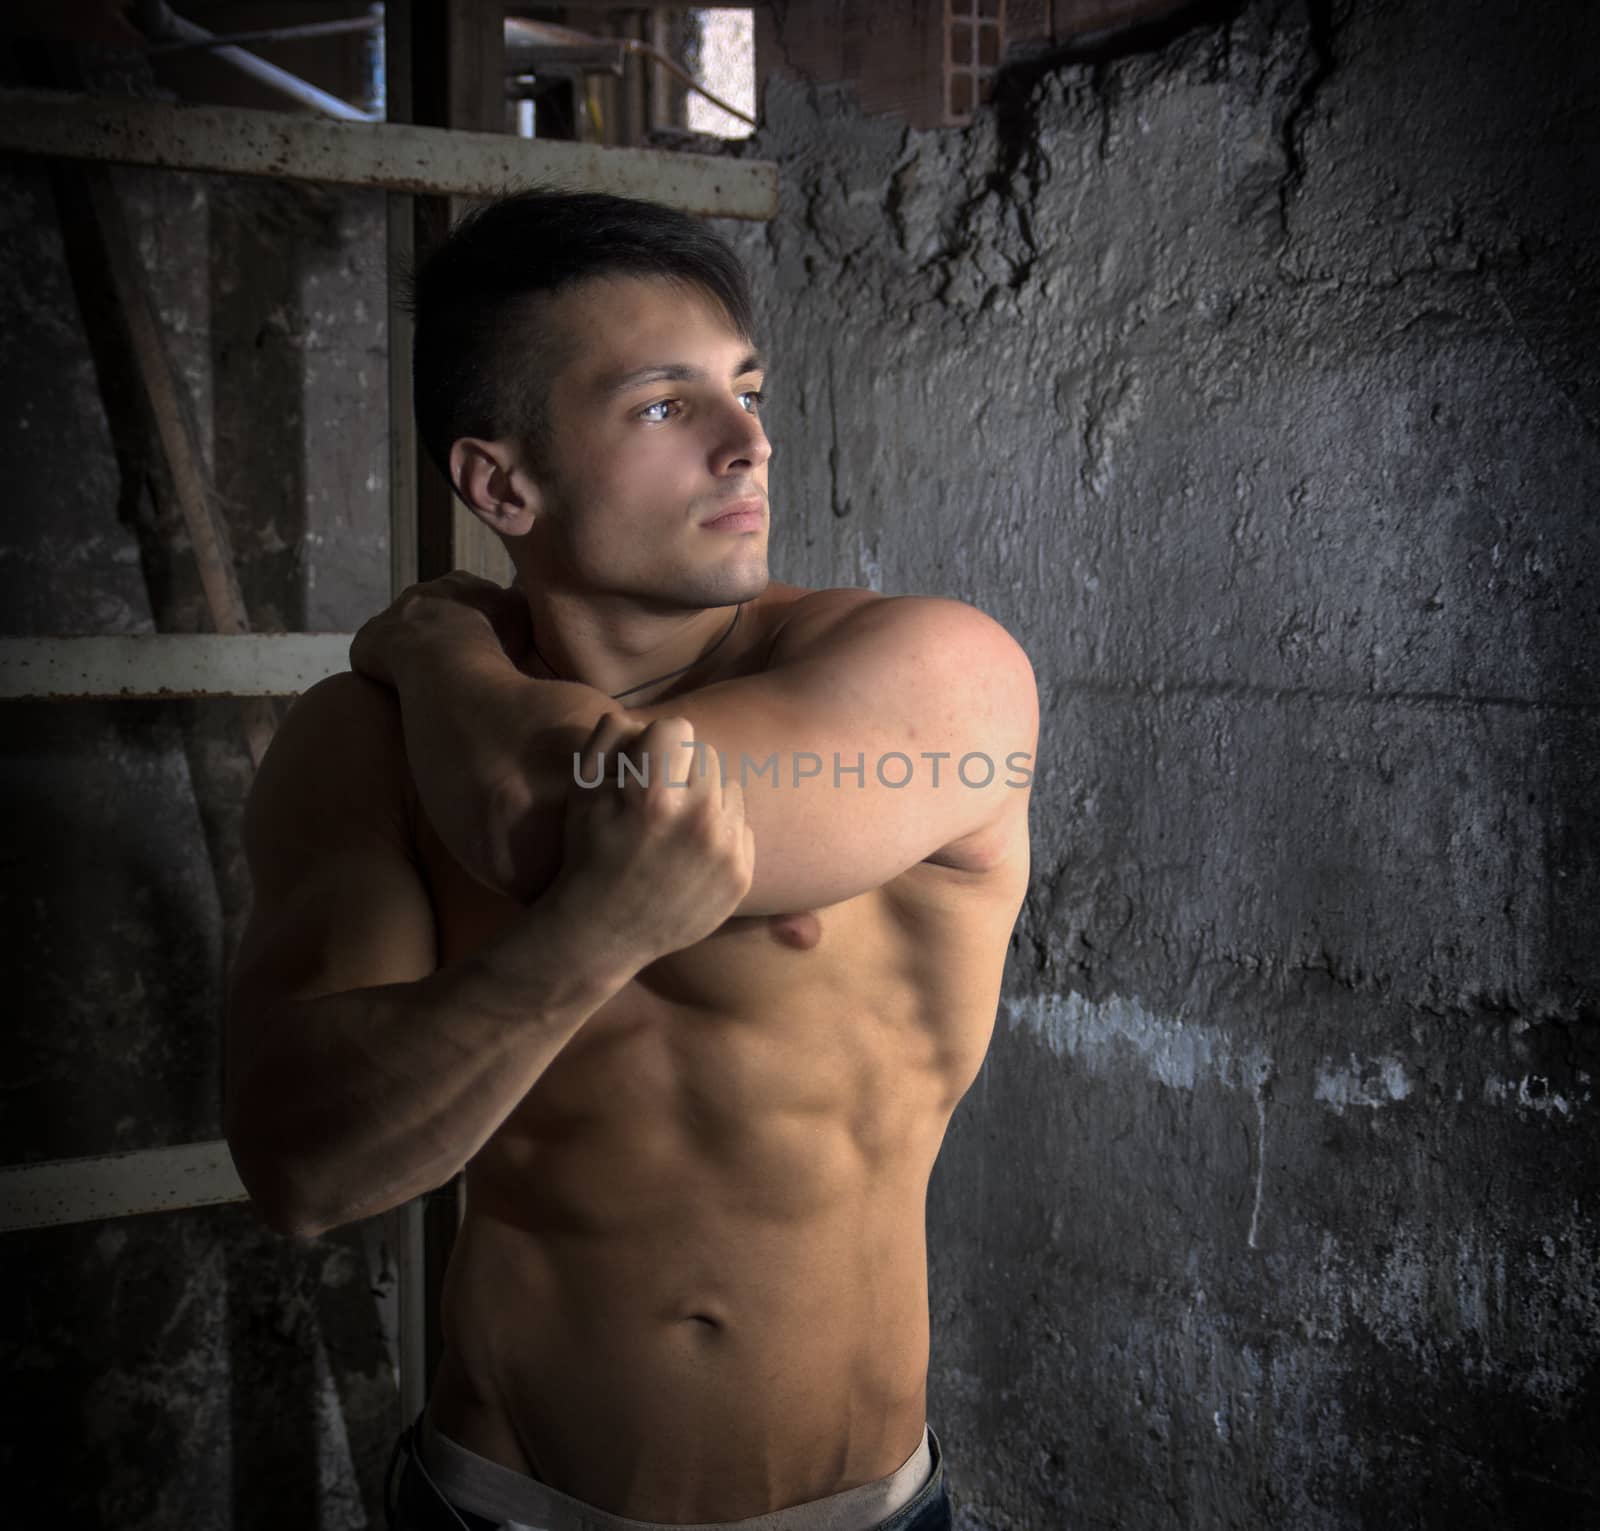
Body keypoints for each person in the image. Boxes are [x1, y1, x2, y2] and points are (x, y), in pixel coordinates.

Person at [225, 189, 1037, 1531]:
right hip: (490, 1501)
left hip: (846, 1518)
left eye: (748, 390)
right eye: (667, 407)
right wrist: (579, 948)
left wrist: (435, 649)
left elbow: (562, 816)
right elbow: (306, 1174)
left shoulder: (937, 678)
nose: (750, 444)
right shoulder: (361, 748)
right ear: (502, 484)